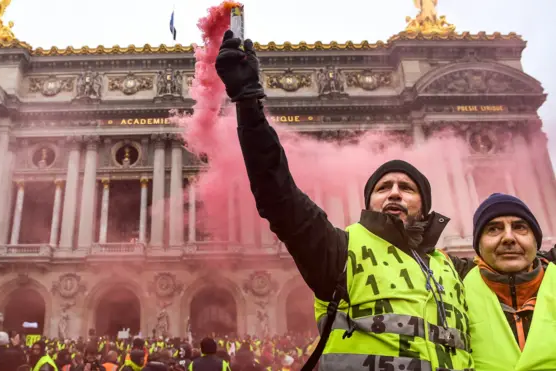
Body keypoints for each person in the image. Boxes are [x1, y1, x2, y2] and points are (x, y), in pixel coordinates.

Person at [216, 30, 473, 370]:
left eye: (406, 188)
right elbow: (277, 193)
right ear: (369, 203)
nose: (394, 192)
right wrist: (248, 103)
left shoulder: (454, 270)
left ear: (424, 205)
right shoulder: (340, 252)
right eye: (383, 187)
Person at [463, 193, 556, 370]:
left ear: (536, 241)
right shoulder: (454, 295)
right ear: (478, 246)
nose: (508, 238)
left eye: (519, 227)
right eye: (493, 229)